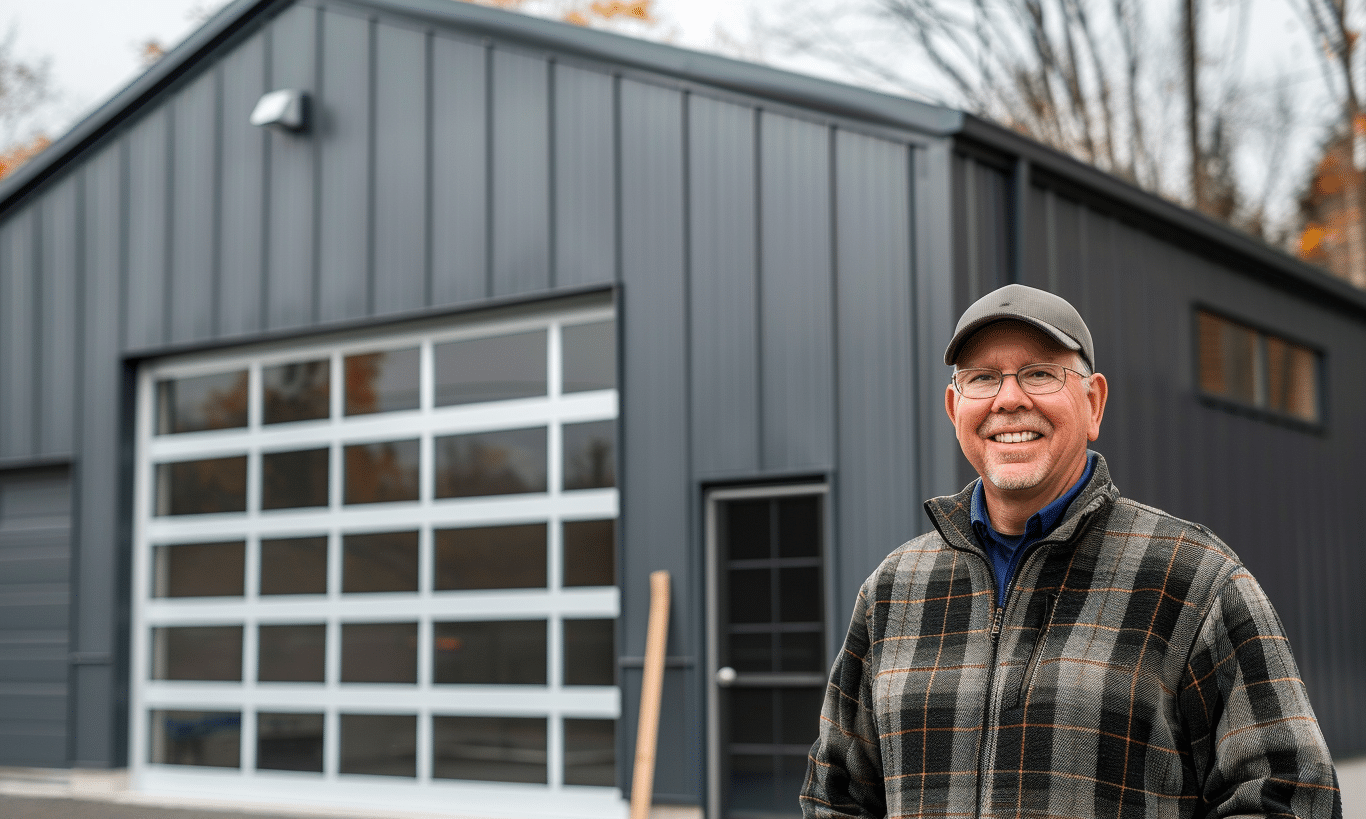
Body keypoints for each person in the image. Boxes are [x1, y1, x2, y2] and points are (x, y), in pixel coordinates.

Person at [800, 284, 1341, 818]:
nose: (1008, 399)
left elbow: (1292, 798)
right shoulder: (895, 589)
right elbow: (836, 797)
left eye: (1039, 373)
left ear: (1093, 402)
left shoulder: (1192, 580)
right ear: (954, 407)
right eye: (982, 378)